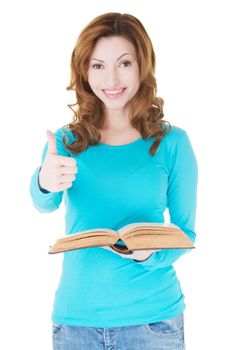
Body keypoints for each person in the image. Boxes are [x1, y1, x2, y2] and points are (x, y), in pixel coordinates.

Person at [29, 12, 198, 350]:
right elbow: (43, 202)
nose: (112, 78)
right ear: (84, 71)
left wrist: (149, 255)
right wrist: (44, 181)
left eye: (124, 63)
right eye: (97, 66)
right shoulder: (66, 140)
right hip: (76, 323)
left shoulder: (173, 143)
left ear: (142, 66)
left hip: (153, 323)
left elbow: (185, 233)